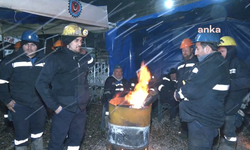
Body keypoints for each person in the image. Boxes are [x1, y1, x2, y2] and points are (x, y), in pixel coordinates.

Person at [36, 24, 94, 150]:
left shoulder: (80, 58)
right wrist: (55, 107)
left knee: (75, 141)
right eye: (76, 40)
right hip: (63, 109)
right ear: (68, 42)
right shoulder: (56, 58)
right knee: (57, 143)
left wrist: (84, 101)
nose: (80, 43)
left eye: (81, 40)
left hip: (81, 109)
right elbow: (41, 83)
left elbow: (90, 62)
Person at [174, 33, 230, 150]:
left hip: (203, 121)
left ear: (207, 49)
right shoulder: (213, 63)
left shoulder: (212, 65)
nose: (195, 53)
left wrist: (179, 94)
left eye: (198, 49)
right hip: (203, 119)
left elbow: (192, 89)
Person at [0, 30, 46, 150]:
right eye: (26, 44)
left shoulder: (44, 60)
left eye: (33, 44)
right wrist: (7, 100)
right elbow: (1, 82)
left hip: (39, 105)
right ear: (22, 44)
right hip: (19, 106)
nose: (29, 48)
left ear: (37, 46)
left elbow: (51, 80)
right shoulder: (11, 60)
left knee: (38, 134)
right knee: (21, 137)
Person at [218, 36, 250, 149]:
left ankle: (230, 144)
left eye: (222, 51)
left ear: (230, 50)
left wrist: (228, 84)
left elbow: (246, 81)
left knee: (229, 120)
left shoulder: (238, 63)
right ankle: (219, 139)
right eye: (219, 51)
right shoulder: (219, 65)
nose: (220, 53)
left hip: (235, 99)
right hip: (223, 99)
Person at [176, 38, 198, 137]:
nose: (184, 52)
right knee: (183, 115)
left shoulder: (198, 63)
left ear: (192, 49)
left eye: (186, 49)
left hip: (194, 96)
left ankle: (193, 134)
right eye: (182, 50)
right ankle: (184, 132)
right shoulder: (180, 66)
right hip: (183, 96)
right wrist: (178, 91)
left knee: (194, 117)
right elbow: (179, 81)